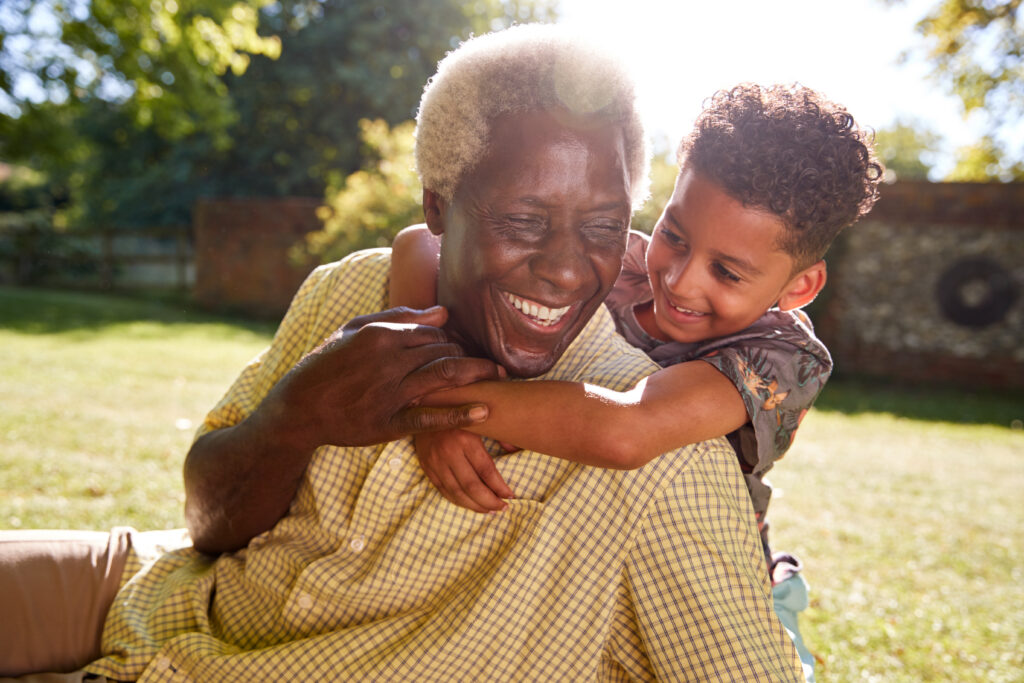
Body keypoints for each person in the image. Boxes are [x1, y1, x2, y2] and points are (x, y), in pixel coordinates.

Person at [0, 25, 804, 681]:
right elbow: (205, 522)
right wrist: (295, 417)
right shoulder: (351, 292)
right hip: (164, 591)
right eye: (525, 221)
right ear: (439, 208)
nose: (566, 267)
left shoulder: (662, 462)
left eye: (601, 228)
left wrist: (440, 406)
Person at [389, 83, 882, 681]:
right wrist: (420, 374)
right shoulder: (617, 263)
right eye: (675, 235)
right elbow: (419, 244)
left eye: (726, 271)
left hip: (708, 579)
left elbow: (627, 429)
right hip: (585, 546)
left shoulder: (781, 359)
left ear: (799, 287)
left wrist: (439, 406)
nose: (680, 279)